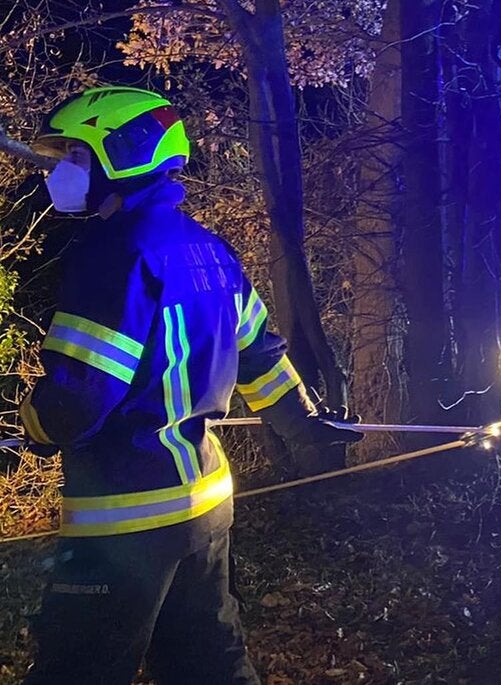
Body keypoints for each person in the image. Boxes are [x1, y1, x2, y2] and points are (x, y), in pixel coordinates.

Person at [19, 85, 359, 685]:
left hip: (124, 517)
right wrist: (306, 427)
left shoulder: (113, 256)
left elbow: (78, 401)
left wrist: (25, 428)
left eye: (75, 155)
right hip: (204, 506)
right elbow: (262, 361)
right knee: (208, 664)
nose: (63, 171)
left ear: (122, 155)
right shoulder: (209, 251)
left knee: (77, 669)